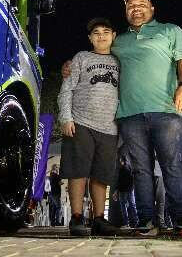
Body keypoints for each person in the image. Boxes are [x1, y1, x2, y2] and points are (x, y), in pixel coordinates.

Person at [63, 0, 182, 236]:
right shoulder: (119, 41)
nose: (136, 8)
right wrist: (69, 64)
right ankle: (146, 221)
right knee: (141, 170)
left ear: (152, 8)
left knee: (172, 167)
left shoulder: (170, 30)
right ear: (126, 11)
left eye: (141, 3)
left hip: (166, 111)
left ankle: (181, 220)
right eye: (131, 5)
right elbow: (96, 54)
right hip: (130, 117)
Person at [57, 17, 121, 236]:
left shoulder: (120, 61)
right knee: (78, 172)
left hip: (110, 127)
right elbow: (66, 89)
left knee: (101, 175)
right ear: (89, 38)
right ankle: (76, 218)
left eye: (106, 31)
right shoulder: (81, 57)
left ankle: (99, 219)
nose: (101, 36)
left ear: (113, 36)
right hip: (81, 121)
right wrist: (66, 117)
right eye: (96, 32)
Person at [113, 155, 139, 228]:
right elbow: (132, 180)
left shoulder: (122, 169)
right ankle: (136, 222)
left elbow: (120, 181)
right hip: (130, 190)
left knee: (123, 207)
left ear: (121, 160)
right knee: (132, 206)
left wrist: (116, 191)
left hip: (123, 191)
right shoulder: (130, 168)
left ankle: (126, 223)